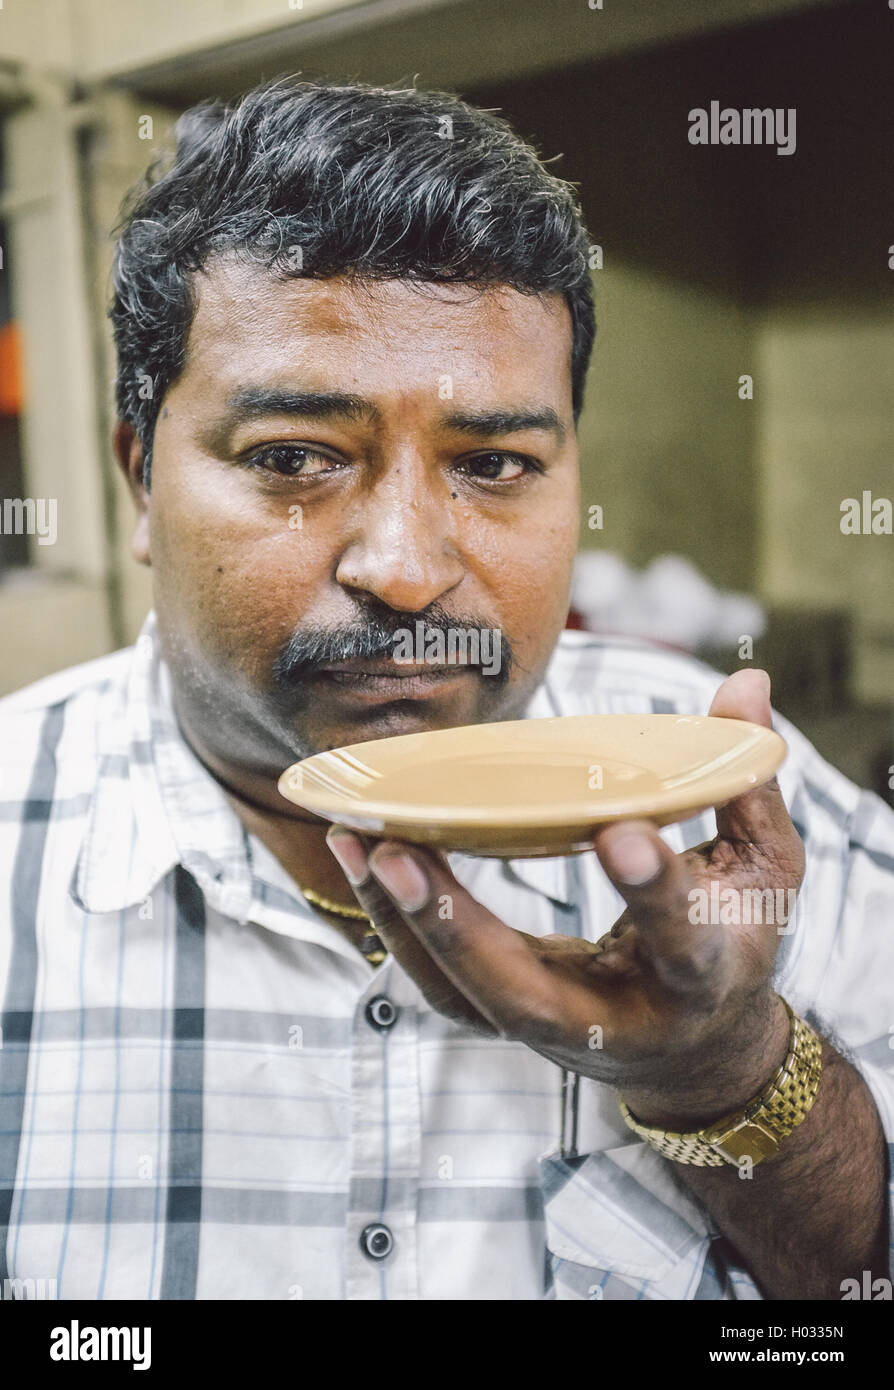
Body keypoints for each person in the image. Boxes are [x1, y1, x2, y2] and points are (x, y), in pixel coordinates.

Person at [0, 78, 890, 1302]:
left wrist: (727, 1067)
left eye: (493, 463)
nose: (408, 572)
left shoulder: (736, 803)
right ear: (140, 475)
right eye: (295, 458)